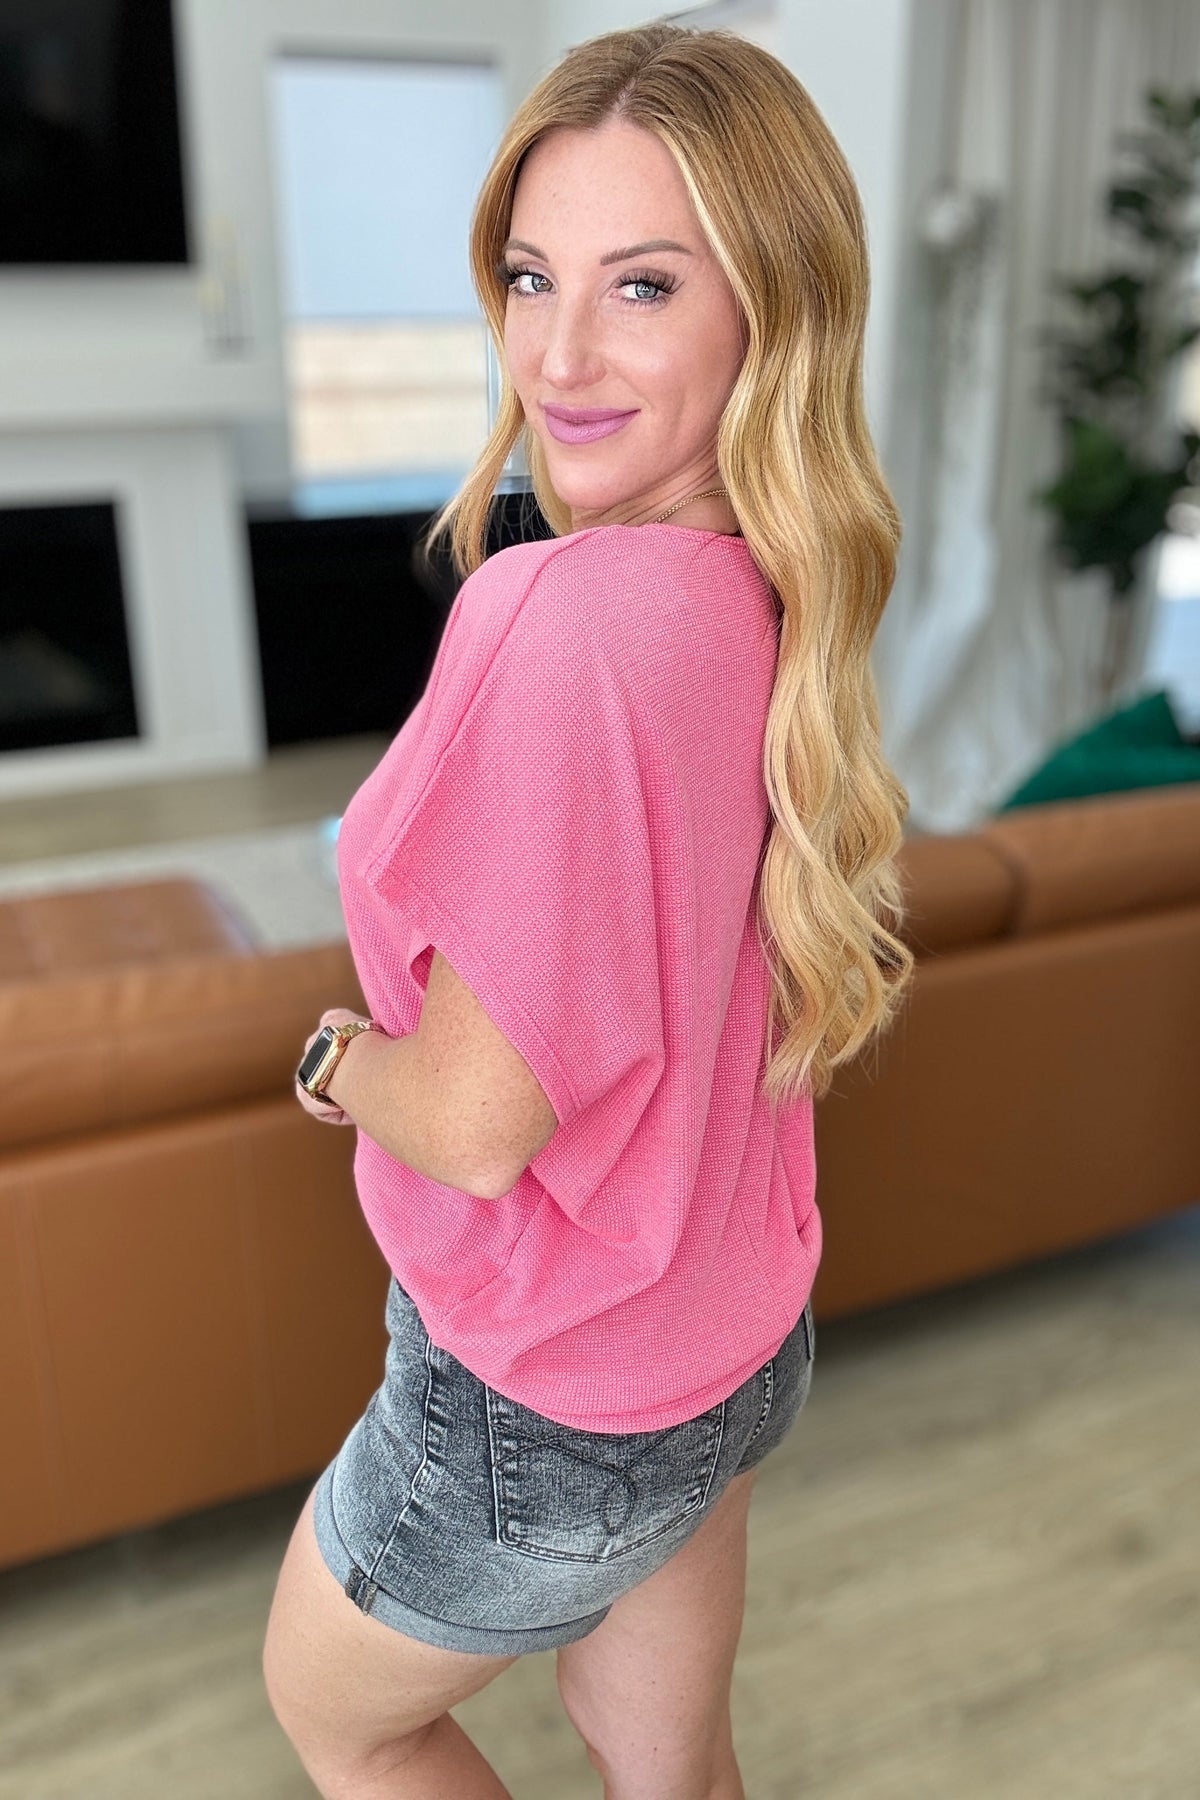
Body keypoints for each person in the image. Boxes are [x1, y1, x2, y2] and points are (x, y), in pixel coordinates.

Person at [262, 22, 914, 1800]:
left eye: (642, 284)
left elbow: (480, 1124)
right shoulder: (776, 591)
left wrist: (334, 1059)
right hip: (732, 1342)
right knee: (671, 1763)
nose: (556, 353)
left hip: (542, 1397)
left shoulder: (564, 619)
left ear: (771, 306)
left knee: (344, 1717)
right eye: (531, 276)